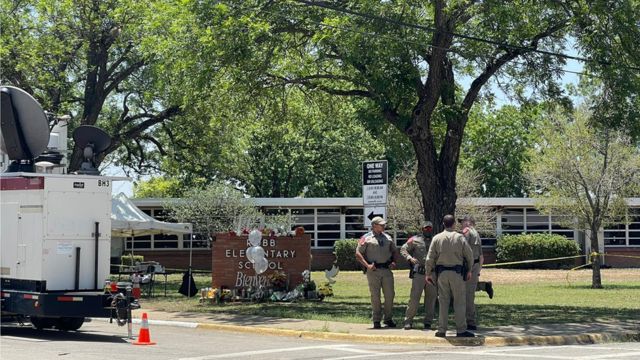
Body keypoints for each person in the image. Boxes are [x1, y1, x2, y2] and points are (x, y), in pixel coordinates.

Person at [425, 214, 475, 338]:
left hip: (441, 273)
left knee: (443, 301)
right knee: (459, 301)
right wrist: (469, 270)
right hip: (457, 273)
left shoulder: (436, 238)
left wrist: (428, 273)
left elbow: (429, 258)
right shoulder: (460, 238)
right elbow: (469, 256)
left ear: (443, 224)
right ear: (454, 224)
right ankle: (461, 329)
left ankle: (441, 329)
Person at [356, 216, 399, 329]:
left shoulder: (388, 237)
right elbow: (358, 254)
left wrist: (394, 261)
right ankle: (376, 320)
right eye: (381, 224)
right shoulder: (366, 238)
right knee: (375, 296)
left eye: (384, 224)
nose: (384, 226)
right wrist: (367, 265)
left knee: (390, 295)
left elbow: (394, 251)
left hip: (386, 270)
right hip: (373, 271)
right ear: (374, 226)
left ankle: (388, 319)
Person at [400, 221, 437, 330]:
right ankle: (408, 321)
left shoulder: (437, 240)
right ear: (422, 229)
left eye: (430, 228)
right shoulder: (414, 239)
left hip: (432, 273)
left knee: (431, 298)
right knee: (414, 298)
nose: (428, 230)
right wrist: (410, 258)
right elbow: (403, 249)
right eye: (426, 228)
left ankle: (428, 322)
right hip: (419, 274)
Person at [459, 215, 492, 330]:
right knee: (469, 293)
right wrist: (478, 271)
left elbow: (461, 248)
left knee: (466, 295)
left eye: (462, 222)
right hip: (476, 265)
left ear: (468, 223)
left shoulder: (467, 232)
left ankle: (469, 322)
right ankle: (484, 285)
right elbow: (481, 257)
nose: (461, 224)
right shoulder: (477, 234)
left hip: (468, 265)